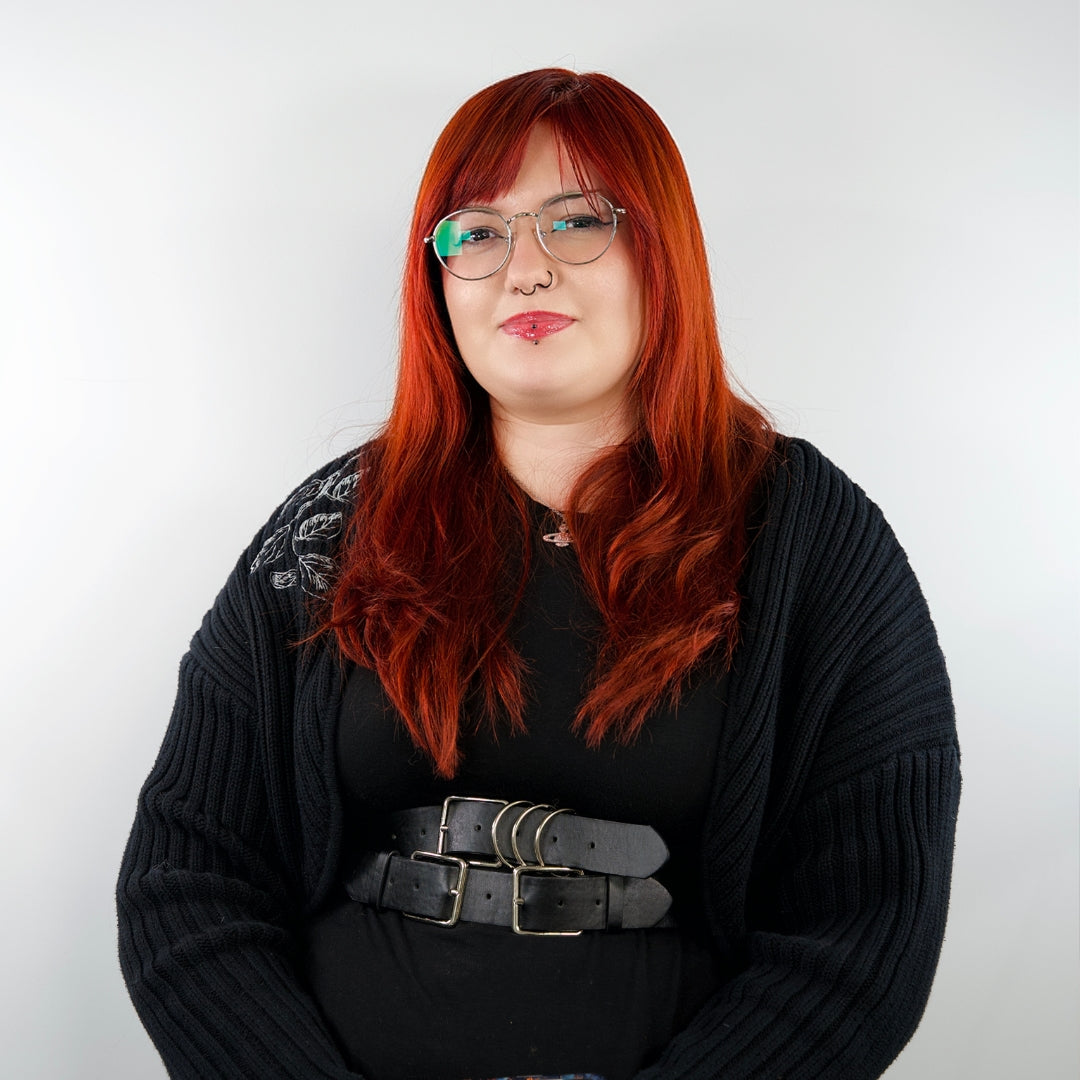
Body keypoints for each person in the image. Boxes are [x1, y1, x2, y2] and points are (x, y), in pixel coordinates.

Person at [117, 69, 960, 1080]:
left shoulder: (810, 538)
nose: (524, 270)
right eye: (477, 232)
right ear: (439, 281)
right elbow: (186, 874)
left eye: (577, 221)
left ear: (662, 254)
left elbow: (864, 933)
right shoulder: (328, 531)